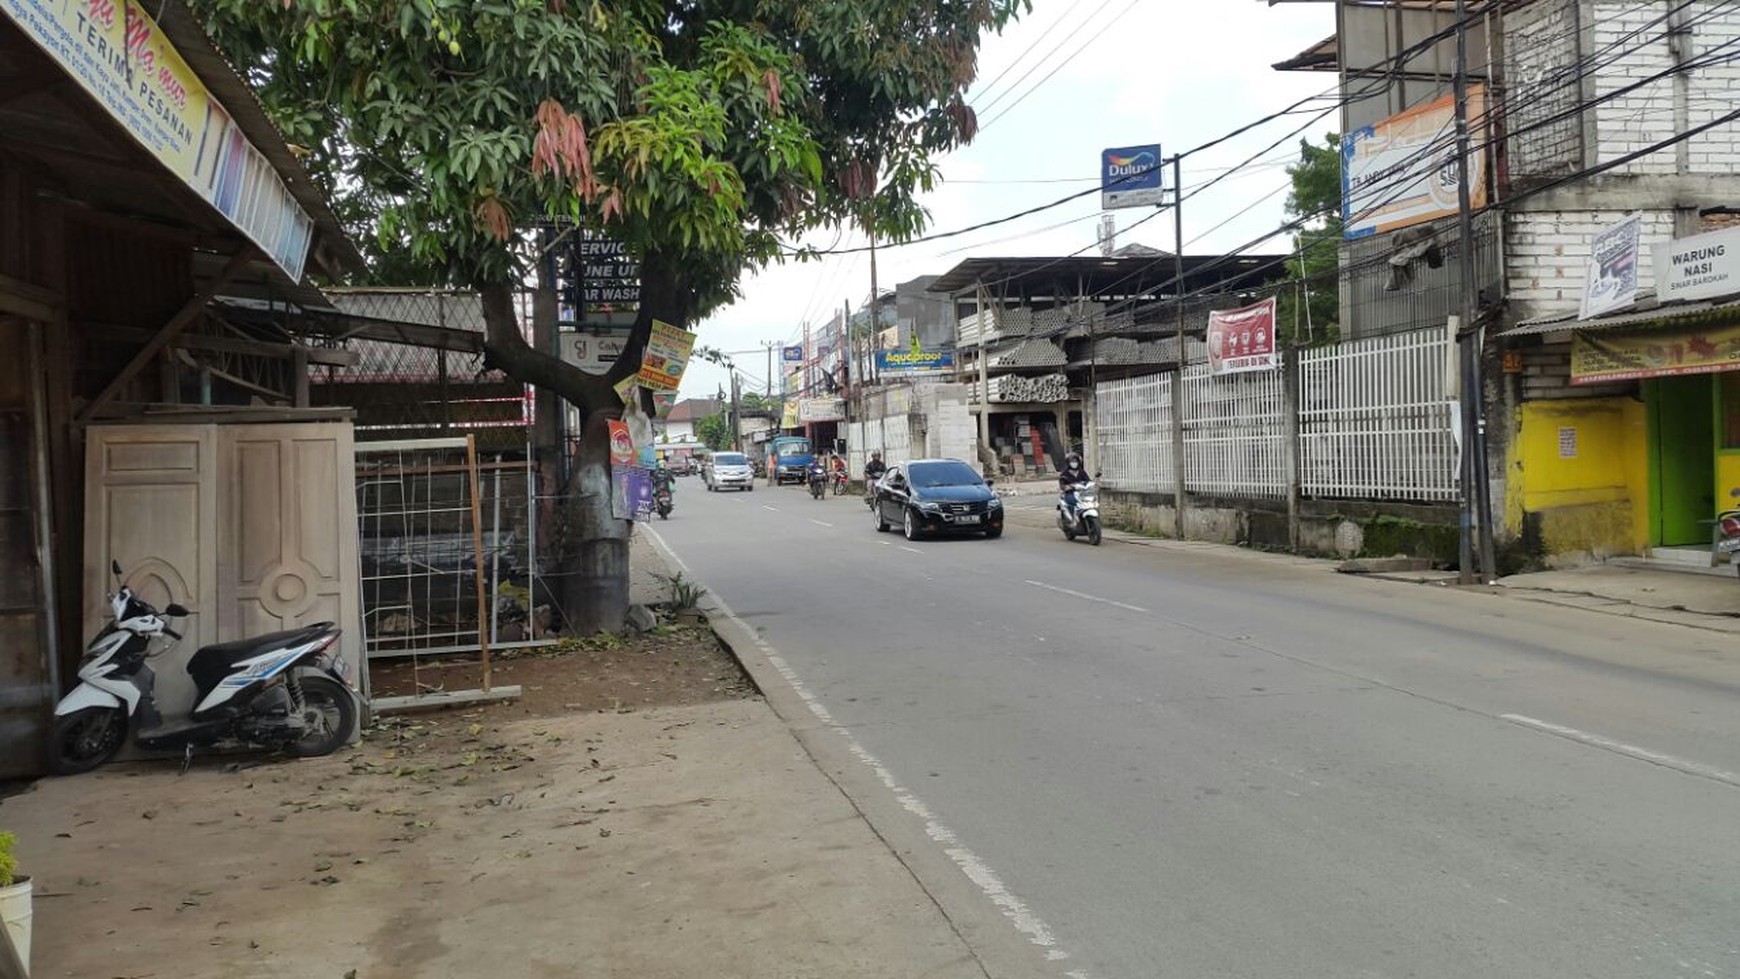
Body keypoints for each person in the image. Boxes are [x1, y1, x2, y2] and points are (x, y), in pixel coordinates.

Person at [1058, 452, 1090, 517]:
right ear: (1068, 463)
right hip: (1070, 493)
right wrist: (1068, 487)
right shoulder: (1065, 473)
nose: (1074, 463)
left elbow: (1088, 481)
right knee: (1072, 502)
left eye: (1075, 461)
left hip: (1082, 493)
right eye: (1072, 462)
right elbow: (1062, 485)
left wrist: (1090, 484)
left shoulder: (1081, 472)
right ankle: (1073, 519)